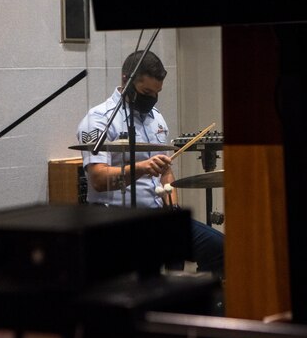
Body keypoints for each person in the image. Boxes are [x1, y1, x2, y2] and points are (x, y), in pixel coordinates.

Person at [76, 50, 224, 278]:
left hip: (157, 218)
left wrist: (172, 205)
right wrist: (143, 167)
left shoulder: (157, 119)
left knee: (220, 248)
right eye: (146, 92)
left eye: (157, 93)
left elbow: (165, 172)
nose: (152, 98)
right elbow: (97, 179)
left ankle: (193, 304)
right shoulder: (99, 120)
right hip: (114, 221)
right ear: (126, 80)